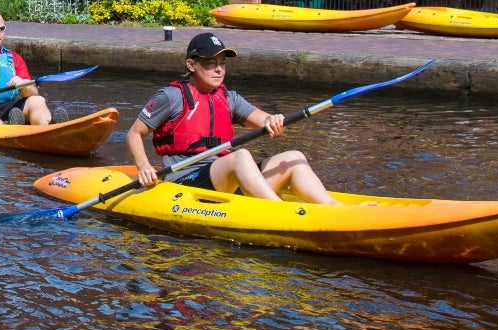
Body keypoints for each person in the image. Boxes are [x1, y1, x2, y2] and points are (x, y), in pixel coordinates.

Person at [125, 32, 339, 204]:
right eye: (210, 62)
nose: (219, 69)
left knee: (293, 156)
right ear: (191, 65)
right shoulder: (171, 97)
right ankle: (279, 211)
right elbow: (134, 133)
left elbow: (264, 119)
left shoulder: (228, 98)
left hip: (227, 177)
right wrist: (143, 167)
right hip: (186, 181)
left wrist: (274, 121)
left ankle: (333, 209)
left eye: (222, 63)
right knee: (241, 156)